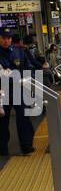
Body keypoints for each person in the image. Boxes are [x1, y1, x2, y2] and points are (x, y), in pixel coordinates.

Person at [0, 27, 35, 155]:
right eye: (3, 38)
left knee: (23, 116)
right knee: (2, 119)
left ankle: (26, 145)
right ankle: (1, 146)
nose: (6, 41)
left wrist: (30, 82)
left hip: (18, 88)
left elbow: (27, 67)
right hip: (2, 90)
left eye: (8, 38)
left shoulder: (18, 51)